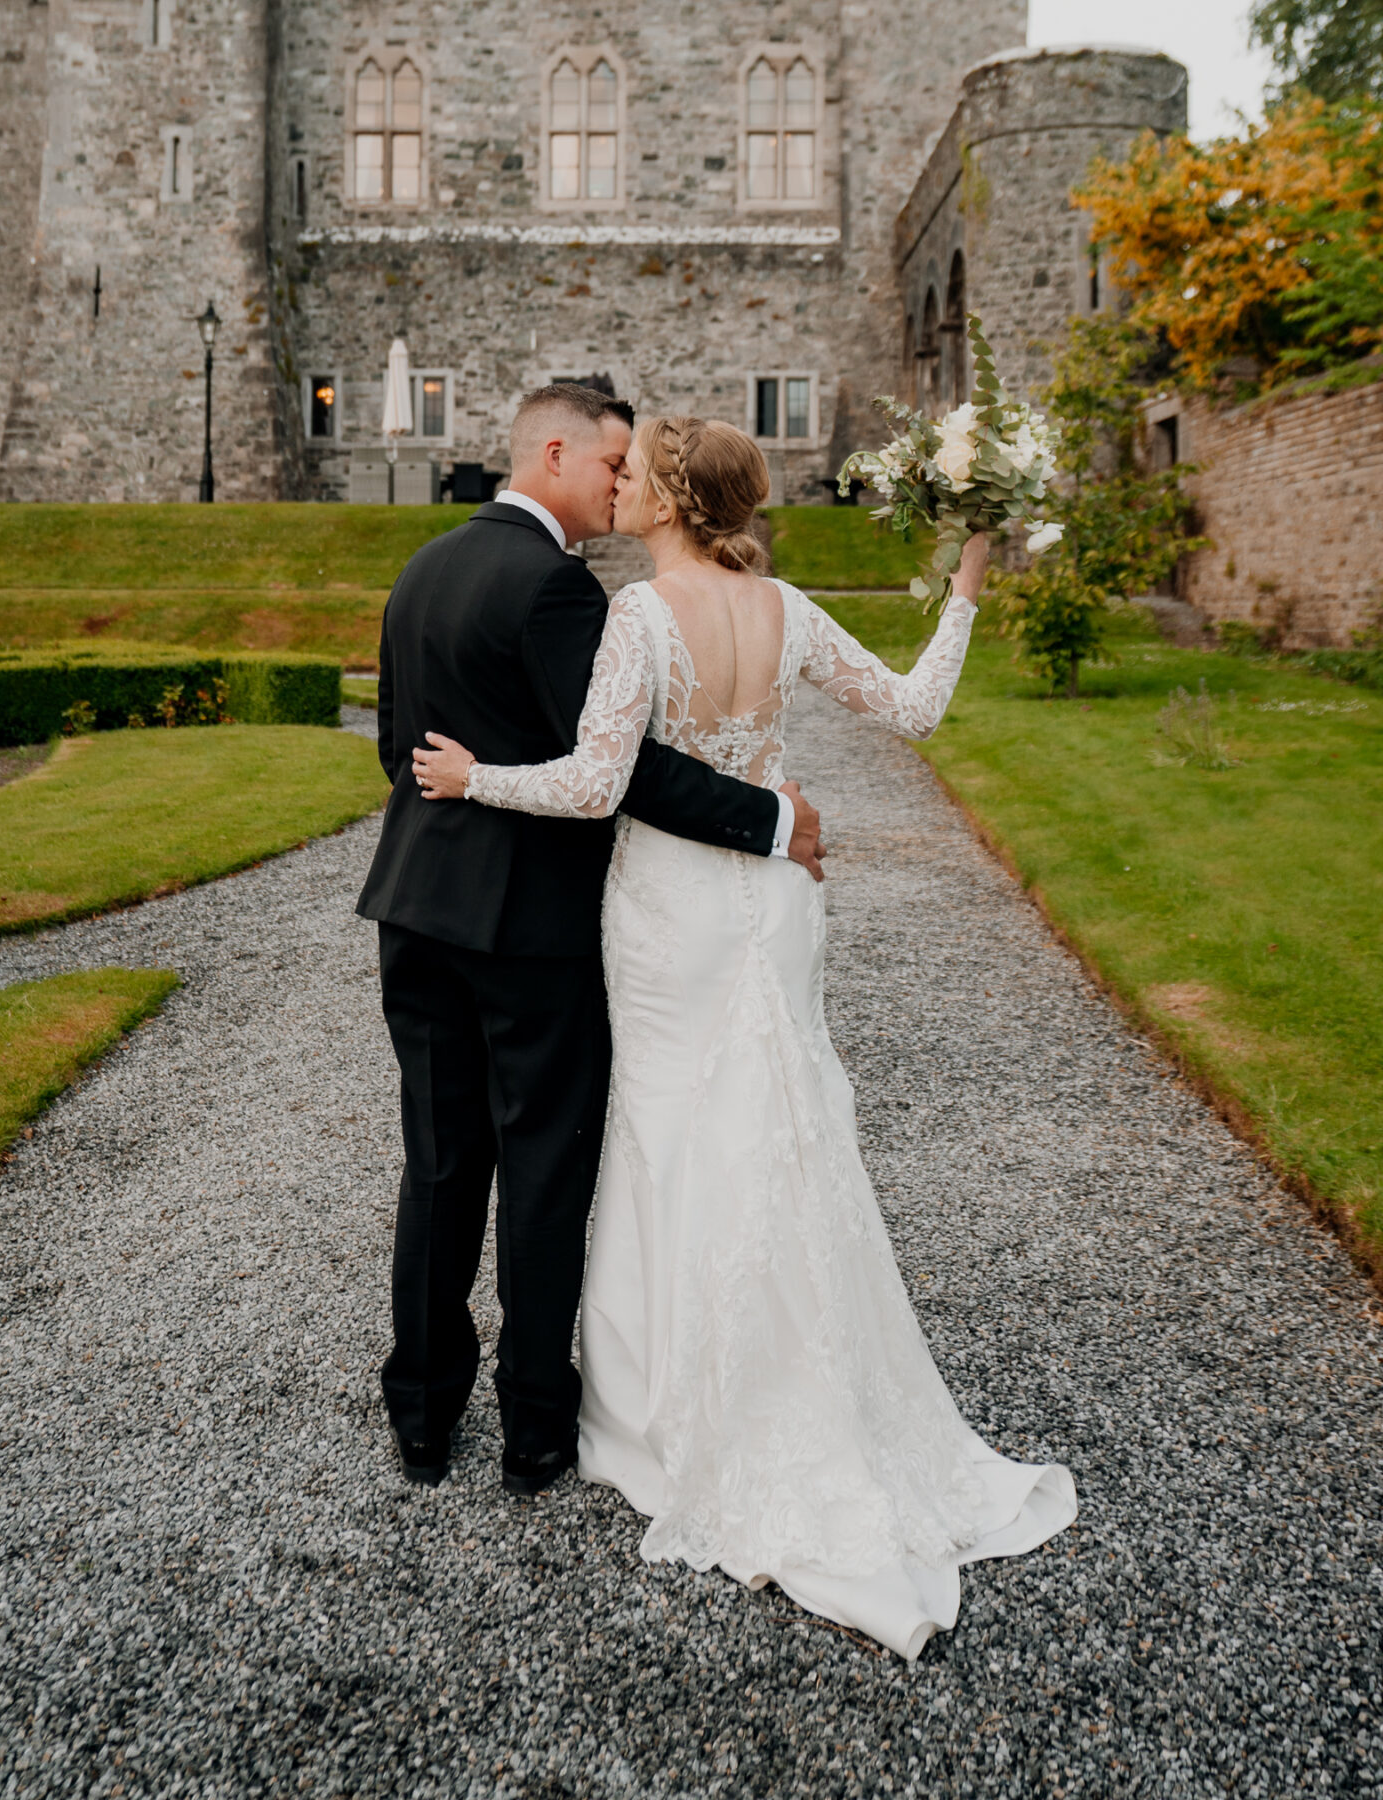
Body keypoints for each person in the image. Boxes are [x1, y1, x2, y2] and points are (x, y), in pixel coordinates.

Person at [412, 413, 1076, 1659]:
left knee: (670, 1131)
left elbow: (596, 784)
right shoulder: (788, 608)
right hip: (773, 909)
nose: (624, 476)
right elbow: (918, 708)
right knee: (782, 1121)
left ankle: (682, 1404)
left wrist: (477, 779)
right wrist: (966, 586)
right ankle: (805, 1375)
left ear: (667, 496)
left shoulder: (640, 618)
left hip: (670, 909)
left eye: (638, 465)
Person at [358, 384, 826, 1501]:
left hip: (415, 913)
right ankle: (531, 1431)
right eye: (611, 461)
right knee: (544, 1171)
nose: (622, 483)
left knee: (437, 1163)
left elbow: (393, 750)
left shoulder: (420, 568)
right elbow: (626, 777)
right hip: (531, 933)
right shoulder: (559, 589)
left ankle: (421, 1418)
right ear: (553, 451)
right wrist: (771, 821)